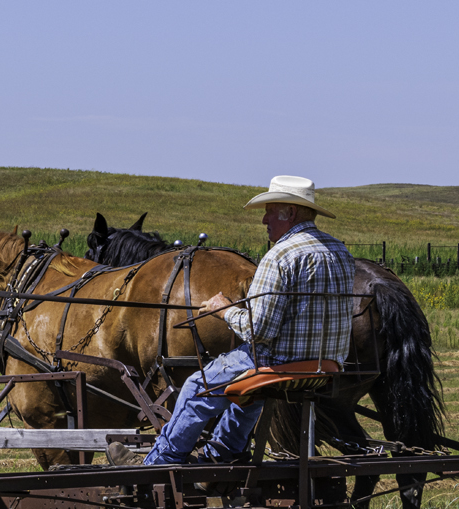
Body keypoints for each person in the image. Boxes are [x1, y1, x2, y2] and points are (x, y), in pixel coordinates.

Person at [142, 175, 355, 466]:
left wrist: (224, 309)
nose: (264, 219)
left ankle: (159, 463)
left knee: (195, 387)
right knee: (248, 390)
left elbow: (260, 331)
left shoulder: (280, 256)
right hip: (326, 364)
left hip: (280, 362)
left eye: (269, 210)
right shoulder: (340, 251)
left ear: (290, 212)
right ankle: (222, 452)